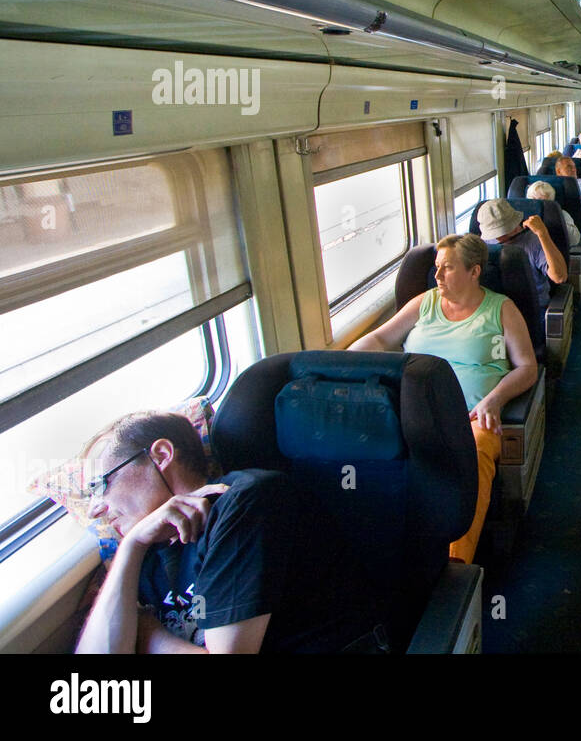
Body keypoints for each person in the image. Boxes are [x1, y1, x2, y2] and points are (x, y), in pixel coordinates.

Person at [77, 412, 381, 653]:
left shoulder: (247, 502)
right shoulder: (144, 552)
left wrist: (144, 630)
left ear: (161, 455)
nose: (94, 509)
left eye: (101, 485)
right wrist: (132, 546)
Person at [350, 234, 538, 563]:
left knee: (476, 451)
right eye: (436, 267)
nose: (436, 276)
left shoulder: (501, 309)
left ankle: (456, 562)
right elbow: (381, 338)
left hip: (473, 417)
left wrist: (494, 399)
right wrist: (340, 361)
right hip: (411, 412)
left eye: (447, 268)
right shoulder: (424, 304)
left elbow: (527, 367)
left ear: (474, 271)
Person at [476, 197, 566, 308]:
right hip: (494, 306)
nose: (498, 237)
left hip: (532, 307)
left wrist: (543, 234)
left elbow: (560, 277)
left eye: (502, 231)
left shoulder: (533, 241)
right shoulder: (484, 243)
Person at [527, 180, 580, 249]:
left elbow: (575, 240)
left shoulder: (561, 214)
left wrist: (557, 221)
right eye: (532, 199)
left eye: (542, 200)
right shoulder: (521, 214)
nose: (536, 203)